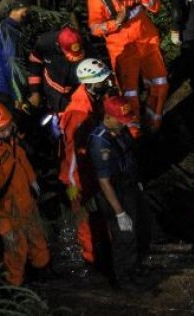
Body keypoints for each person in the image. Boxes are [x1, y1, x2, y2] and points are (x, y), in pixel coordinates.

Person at [0, 100, 50, 286]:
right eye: (2, 130)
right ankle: (15, 288)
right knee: (16, 250)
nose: (7, 132)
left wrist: (32, 180)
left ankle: (42, 275)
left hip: (25, 200)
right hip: (9, 209)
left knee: (37, 238)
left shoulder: (8, 138)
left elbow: (20, 158)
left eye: (8, 127)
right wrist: (4, 225)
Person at [87, 0, 168, 133]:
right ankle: (134, 134)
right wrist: (116, 22)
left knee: (160, 84)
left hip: (147, 43)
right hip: (122, 50)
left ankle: (154, 124)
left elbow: (155, 5)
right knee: (129, 96)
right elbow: (94, 28)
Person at [87, 93, 149, 290]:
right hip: (114, 192)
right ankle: (124, 279)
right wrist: (119, 212)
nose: (124, 124)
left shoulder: (119, 130)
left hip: (129, 185)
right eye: (120, 120)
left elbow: (130, 156)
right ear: (108, 117)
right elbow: (104, 181)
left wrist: (137, 181)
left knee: (139, 228)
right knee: (124, 236)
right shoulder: (99, 143)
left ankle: (134, 268)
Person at [58, 57, 115, 266]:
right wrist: (74, 183)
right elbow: (71, 152)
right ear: (90, 84)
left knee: (99, 212)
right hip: (79, 176)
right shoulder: (78, 113)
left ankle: (104, 249)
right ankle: (91, 258)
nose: (107, 83)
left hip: (92, 168)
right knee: (85, 216)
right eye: (103, 81)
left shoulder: (93, 102)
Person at [0, 0, 32, 111]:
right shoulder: (9, 32)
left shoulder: (3, 26)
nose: (26, 14)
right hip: (8, 92)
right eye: (25, 10)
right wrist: (18, 97)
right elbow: (12, 65)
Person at [28, 24, 85, 113]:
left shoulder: (83, 43)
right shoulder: (44, 44)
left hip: (75, 91)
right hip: (51, 90)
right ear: (59, 45)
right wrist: (35, 91)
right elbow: (35, 65)